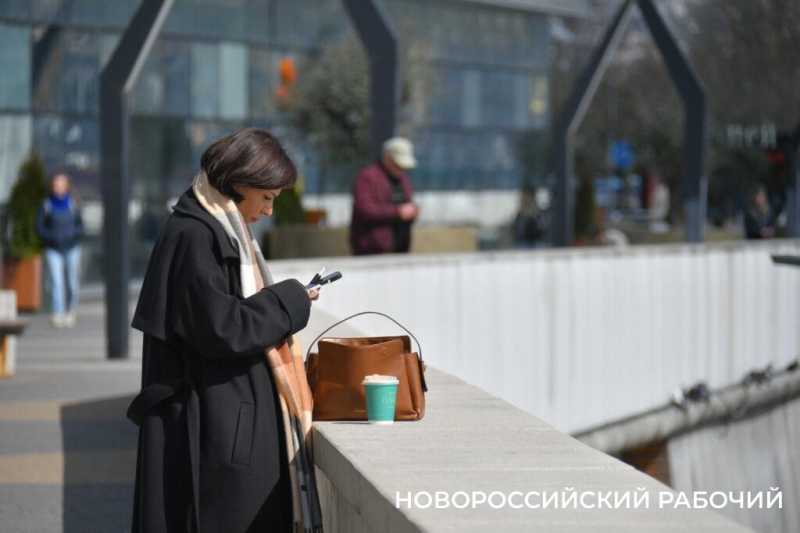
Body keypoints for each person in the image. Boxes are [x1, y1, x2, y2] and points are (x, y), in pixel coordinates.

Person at [128, 128, 321, 532]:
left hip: (219, 424)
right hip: (208, 432)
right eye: (266, 198)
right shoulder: (198, 234)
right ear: (238, 183)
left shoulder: (210, 226)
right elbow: (223, 328)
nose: (269, 212)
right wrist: (291, 300)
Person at [349, 136, 420, 255]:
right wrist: (397, 212)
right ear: (387, 157)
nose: (401, 169)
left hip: (400, 249)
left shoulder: (403, 179)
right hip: (371, 250)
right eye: (398, 165)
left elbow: (407, 204)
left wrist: (413, 212)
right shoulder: (368, 177)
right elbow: (365, 209)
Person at [35, 172, 83, 328]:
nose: (58, 187)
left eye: (61, 183)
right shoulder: (46, 204)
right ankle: (58, 312)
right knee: (56, 281)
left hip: (72, 247)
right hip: (53, 248)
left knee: (72, 281)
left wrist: (72, 235)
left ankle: (71, 311)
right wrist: (50, 237)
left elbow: (80, 225)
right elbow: (40, 227)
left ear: (66, 185)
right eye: (56, 184)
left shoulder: (73, 203)